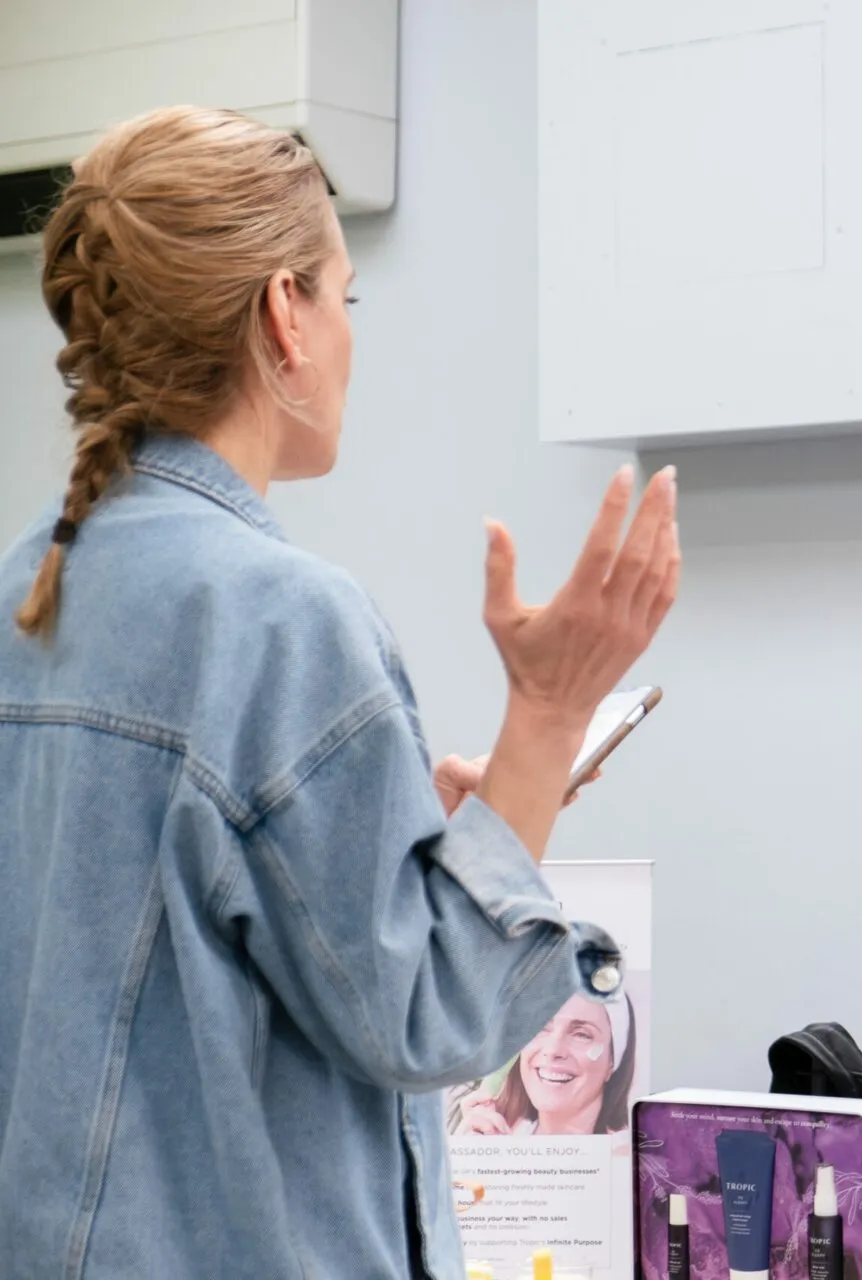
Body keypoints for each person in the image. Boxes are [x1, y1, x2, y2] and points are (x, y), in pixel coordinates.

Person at [0, 107, 680, 1277]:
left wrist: (384, 829)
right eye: (343, 297)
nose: (348, 333)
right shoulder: (280, 618)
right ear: (283, 315)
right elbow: (427, 1013)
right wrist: (550, 715)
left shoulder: (29, 589)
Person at [449, 992, 638, 1136]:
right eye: (539, 1026)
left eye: (582, 1034)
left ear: (612, 1061)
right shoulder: (499, 1140)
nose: (553, 1050)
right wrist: (467, 1163)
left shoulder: (633, 1162)